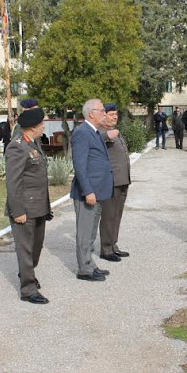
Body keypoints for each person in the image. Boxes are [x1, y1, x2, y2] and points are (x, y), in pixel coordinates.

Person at [5, 107, 53, 304]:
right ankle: (28, 290)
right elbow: (13, 182)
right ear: (33, 127)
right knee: (25, 249)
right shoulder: (16, 147)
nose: (43, 127)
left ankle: (27, 273)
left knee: (36, 247)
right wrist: (18, 211)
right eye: (42, 124)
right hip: (24, 208)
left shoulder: (33, 143)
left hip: (39, 206)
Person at [70, 99, 114, 281]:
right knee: (84, 232)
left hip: (97, 192)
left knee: (91, 232)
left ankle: (90, 263)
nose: (105, 113)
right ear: (91, 113)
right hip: (88, 193)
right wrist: (87, 191)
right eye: (102, 110)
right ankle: (84, 269)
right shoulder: (81, 132)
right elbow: (80, 166)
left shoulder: (94, 131)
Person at [98, 103, 131, 262]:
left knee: (117, 215)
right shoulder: (101, 132)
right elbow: (95, 141)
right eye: (111, 115)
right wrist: (107, 136)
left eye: (116, 114)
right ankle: (105, 249)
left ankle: (113, 245)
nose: (115, 117)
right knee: (109, 216)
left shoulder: (115, 132)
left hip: (122, 180)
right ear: (103, 116)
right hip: (111, 182)